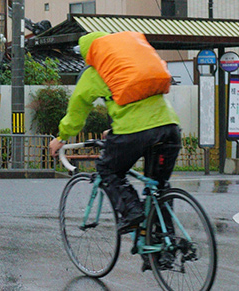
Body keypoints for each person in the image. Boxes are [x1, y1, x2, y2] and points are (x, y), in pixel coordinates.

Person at [49, 31, 181, 235]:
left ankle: (132, 212)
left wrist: (61, 138)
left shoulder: (94, 73)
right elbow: (141, 105)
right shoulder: (133, 64)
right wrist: (113, 130)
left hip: (135, 133)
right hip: (169, 128)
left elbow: (77, 111)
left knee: (107, 169)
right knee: (158, 186)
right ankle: (164, 244)